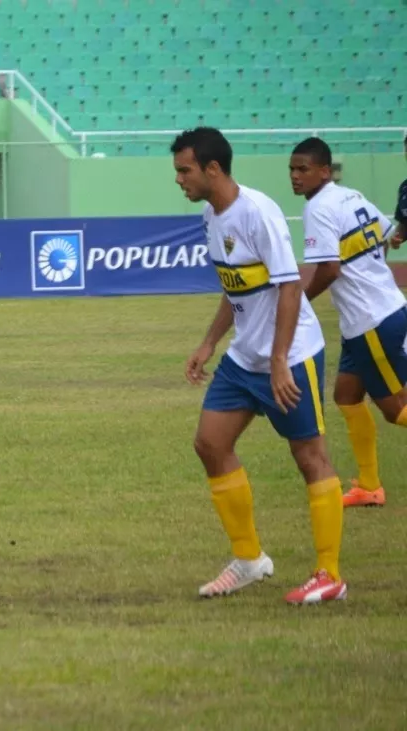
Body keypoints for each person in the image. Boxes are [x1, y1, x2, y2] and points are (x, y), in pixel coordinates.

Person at [173, 127, 346, 605]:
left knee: (310, 458)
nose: (179, 179)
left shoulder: (259, 213)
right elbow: (238, 287)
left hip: (290, 357)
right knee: (209, 444)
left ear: (213, 169)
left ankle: (330, 574)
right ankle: (249, 560)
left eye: (184, 170)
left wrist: (278, 362)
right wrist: (209, 343)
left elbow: (289, 287)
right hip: (243, 358)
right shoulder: (212, 214)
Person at [292, 136, 407, 509]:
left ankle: (371, 485)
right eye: (292, 169)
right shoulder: (352, 196)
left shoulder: (319, 209)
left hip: (371, 320)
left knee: (396, 411)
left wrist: (298, 303)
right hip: (374, 315)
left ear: (324, 171)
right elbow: (392, 236)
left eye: (303, 169)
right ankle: (370, 486)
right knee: (347, 395)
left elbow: (328, 269)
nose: (295, 176)